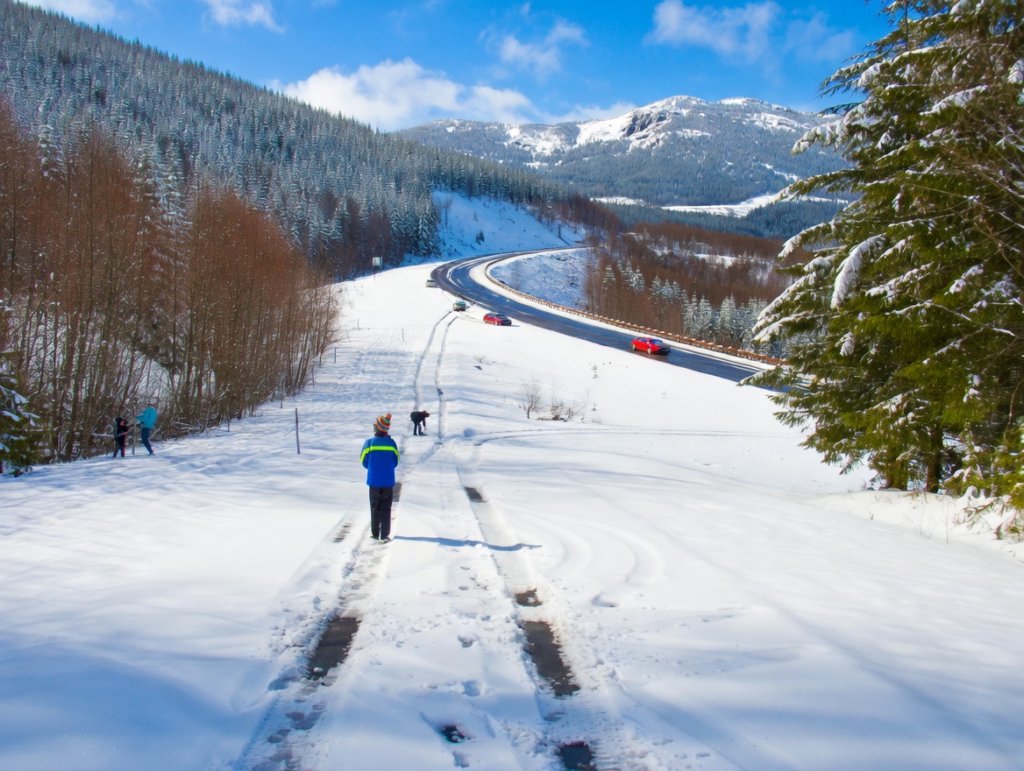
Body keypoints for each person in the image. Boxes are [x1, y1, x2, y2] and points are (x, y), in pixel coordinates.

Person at [360, 413, 399, 542]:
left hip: (374, 480)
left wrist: (373, 468)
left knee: (374, 506)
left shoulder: (369, 443)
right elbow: (396, 461)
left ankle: (375, 533)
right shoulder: (392, 444)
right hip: (388, 481)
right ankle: (385, 534)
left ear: (377, 428)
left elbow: (364, 461)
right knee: (386, 507)